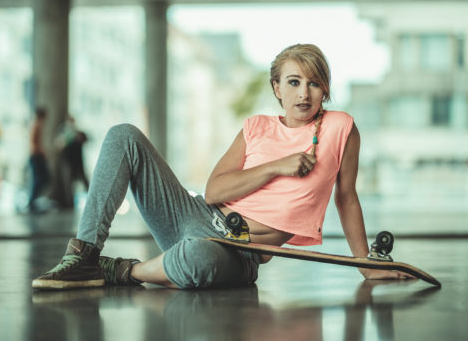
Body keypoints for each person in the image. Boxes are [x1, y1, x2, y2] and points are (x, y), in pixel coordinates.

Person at [32, 44, 411, 290]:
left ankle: (122, 270)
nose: (303, 93)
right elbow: (214, 191)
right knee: (123, 135)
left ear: (325, 90)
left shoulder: (341, 128)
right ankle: (84, 255)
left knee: (198, 258)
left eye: (314, 84)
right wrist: (277, 166)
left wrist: (366, 264)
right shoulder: (256, 127)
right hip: (197, 215)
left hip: (239, 252)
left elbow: (347, 198)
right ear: (277, 87)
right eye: (293, 82)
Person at [28, 107, 51, 213]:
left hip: (37, 156)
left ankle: (33, 202)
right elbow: (33, 144)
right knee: (40, 179)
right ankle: (32, 203)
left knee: (42, 179)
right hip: (36, 157)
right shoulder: (36, 125)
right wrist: (42, 152)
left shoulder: (37, 125)